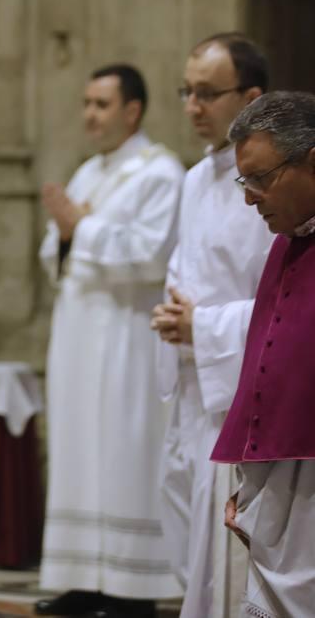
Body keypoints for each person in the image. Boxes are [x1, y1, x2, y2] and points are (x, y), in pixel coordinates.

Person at [36, 64, 185, 618]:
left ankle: (132, 587)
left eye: (101, 104)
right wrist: (73, 233)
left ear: (133, 110)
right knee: (79, 450)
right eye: (86, 103)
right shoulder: (88, 173)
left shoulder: (160, 172)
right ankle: (83, 578)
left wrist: (83, 229)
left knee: (126, 451)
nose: (89, 115)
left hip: (127, 336)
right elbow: (53, 249)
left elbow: (153, 252)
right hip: (78, 335)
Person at [151, 35, 273, 618]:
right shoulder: (195, 177)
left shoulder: (277, 183)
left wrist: (203, 325)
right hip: (197, 381)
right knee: (191, 539)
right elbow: (185, 264)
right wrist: (174, 316)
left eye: (207, 93)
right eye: (187, 92)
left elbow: (284, 301)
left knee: (227, 554)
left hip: (242, 386)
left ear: (251, 96)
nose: (193, 106)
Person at [212, 91, 315, 617]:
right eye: (243, 180)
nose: (249, 197)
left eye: (261, 178)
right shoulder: (287, 242)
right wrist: (249, 486)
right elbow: (268, 370)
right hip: (284, 492)